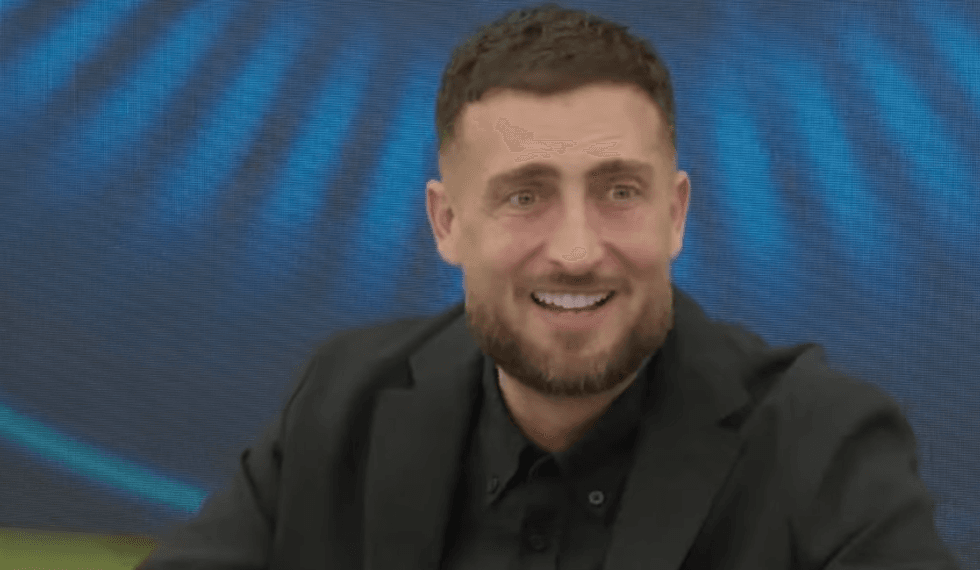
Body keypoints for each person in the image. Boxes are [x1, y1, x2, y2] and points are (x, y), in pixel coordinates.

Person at [136, 3, 962, 569]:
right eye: (525, 196)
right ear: (447, 223)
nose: (575, 251)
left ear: (675, 214)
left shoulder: (823, 445)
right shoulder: (345, 402)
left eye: (619, 191)